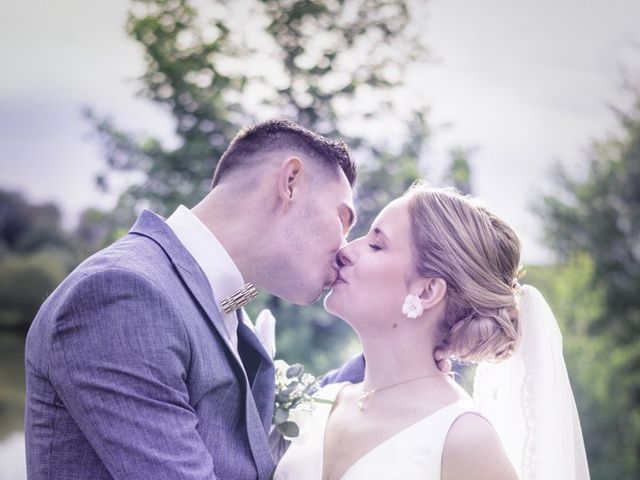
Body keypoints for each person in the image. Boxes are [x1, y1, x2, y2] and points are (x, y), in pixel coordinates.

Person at [24, 119, 360, 479]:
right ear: (290, 181)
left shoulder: (221, 298)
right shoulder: (124, 292)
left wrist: (417, 332)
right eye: (343, 219)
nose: (345, 249)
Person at [274, 183, 590, 479]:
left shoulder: (463, 438)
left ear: (426, 292)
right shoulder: (321, 402)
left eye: (376, 244)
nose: (345, 250)